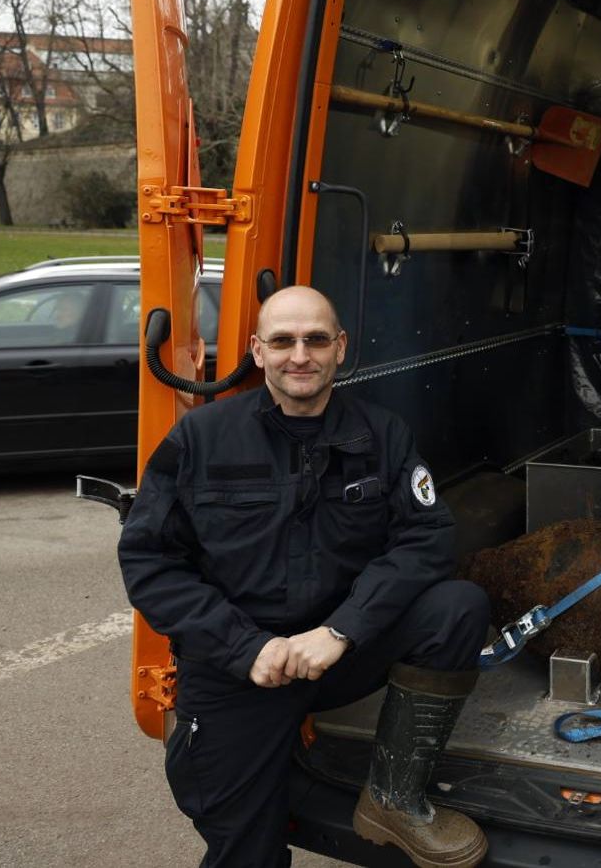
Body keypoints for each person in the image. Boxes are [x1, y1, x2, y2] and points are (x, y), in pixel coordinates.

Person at [118, 286, 491, 868]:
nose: (301, 355)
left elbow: (427, 538)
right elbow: (150, 561)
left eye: (316, 339)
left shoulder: (383, 435)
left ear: (340, 348)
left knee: (457, 606)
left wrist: (341, 631)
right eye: (283, 341)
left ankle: (393, 796)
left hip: (336, 653)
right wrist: (247, 648)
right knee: (247, 849)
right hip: (240, 669)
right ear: (257, 351)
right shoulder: (201, 440)